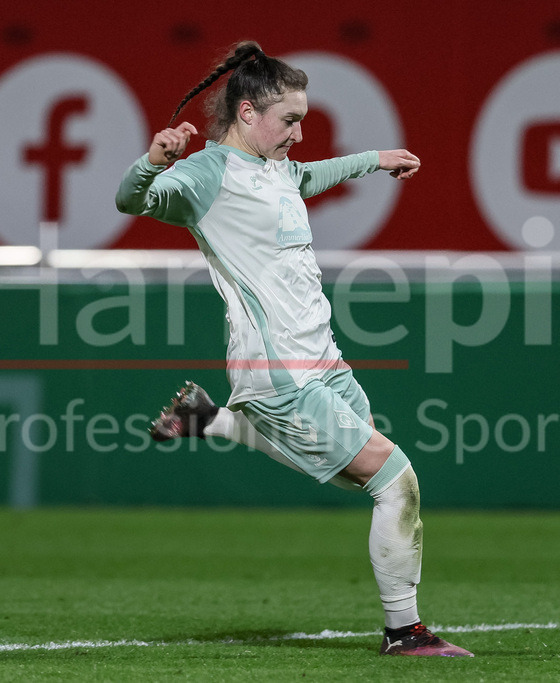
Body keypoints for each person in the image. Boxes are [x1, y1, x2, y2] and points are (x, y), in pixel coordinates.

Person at [115, 41, 472, 658]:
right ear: (247, 113)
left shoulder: (275, 168)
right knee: (396, 481)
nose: (299, 133)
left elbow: (306, 177)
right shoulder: (206, 174)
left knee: (360, 476)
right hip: (280, 371)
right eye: (290, 120)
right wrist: (151, 161)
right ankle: (404, 632)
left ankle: (215, 421)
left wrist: (374, 160)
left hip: (325, 362)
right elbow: (131, 201)